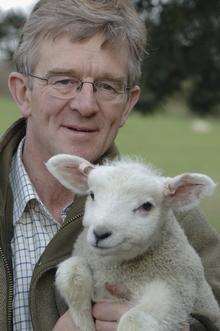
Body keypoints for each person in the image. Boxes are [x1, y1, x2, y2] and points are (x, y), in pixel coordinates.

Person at [0, 0, 219, 330]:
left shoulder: (170, 213)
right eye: (63, 81)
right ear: (23, 93)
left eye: (106, 86)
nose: (85, 105)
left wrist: (174, 325)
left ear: (128, 105)